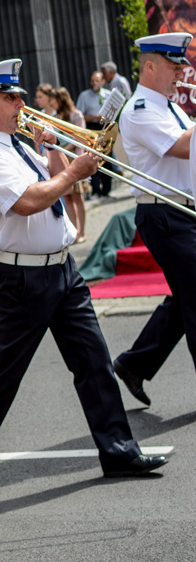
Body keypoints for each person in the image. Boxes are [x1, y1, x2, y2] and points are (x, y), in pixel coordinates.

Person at [0, 59, 167, 496]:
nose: (21, 103)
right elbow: (28, 201)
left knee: (93, 358)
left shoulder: (16, 143)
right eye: (11, 97)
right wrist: (71, 172)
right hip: (22, 277)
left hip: (61, 267)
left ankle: (119, 450)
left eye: (21, 96)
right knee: (6, 372)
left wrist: (57, 154)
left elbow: (53, 181)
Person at [111, 33, 196, 407]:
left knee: (186, 298)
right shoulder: (141, 109)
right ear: (149, 66)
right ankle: (134, 363)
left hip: (181, 210)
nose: (181, 73)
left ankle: (135, 363)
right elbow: (181, 147)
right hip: (164, 212)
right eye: (174, 66)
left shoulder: (170, 107)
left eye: (181, 66)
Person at [51, 86, 88, 241]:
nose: (51, 102)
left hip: (74, 157)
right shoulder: (54, 115)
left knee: (78, 197)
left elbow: (80, 138)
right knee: (68, 197)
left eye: (54, 99)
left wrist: (64, 149)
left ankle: (82, 232)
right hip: (62, 158)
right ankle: (74, 231)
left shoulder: (75, 115)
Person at [77, 71, 114, 197]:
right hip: (92, 127)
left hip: (104, 127)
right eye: (92, 81)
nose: (94, 83)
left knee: (107, 159)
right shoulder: (84, 96)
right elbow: (80, 115)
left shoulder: (109, 95)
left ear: (103, 81)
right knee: (93, 158)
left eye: (97, 81)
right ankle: (96, 189)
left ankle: (107, 190)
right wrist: (94, 117)